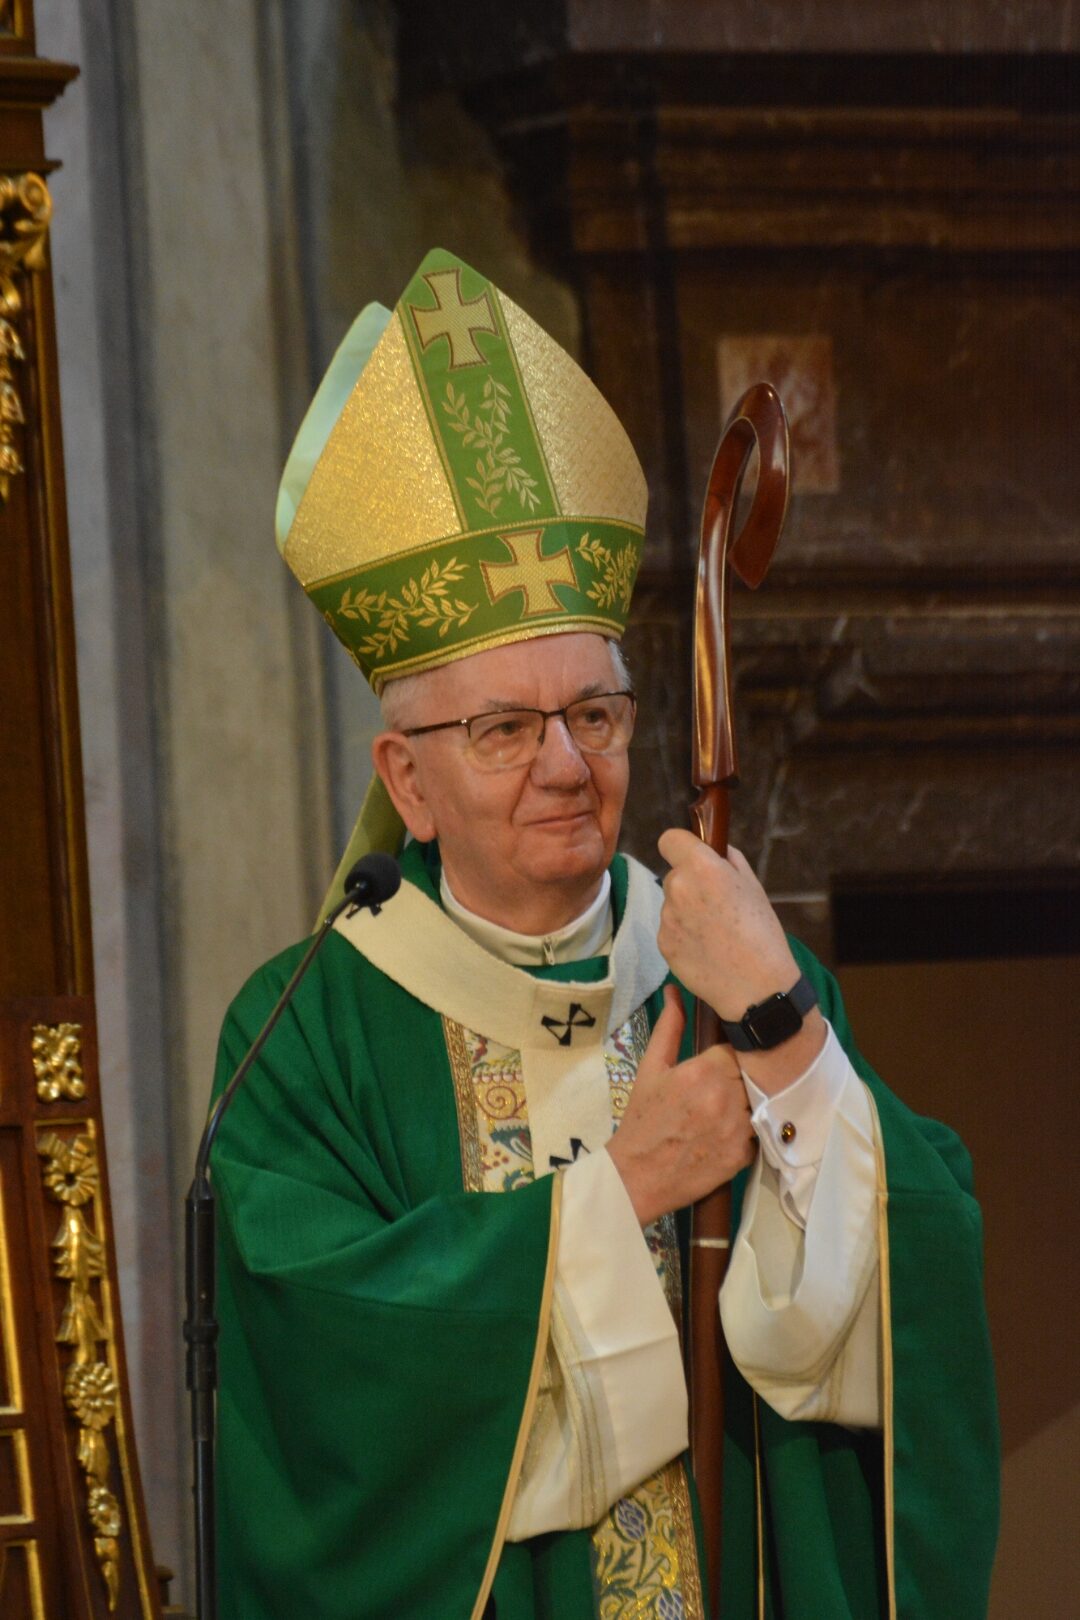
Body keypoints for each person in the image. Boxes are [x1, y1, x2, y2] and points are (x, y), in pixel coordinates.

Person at [210, 249, 998, 1619]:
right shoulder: (306, 1032)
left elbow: (917, 1276)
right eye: (504, 730)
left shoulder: (727, 965)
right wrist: (622, 1188)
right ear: (408, 782)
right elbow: (325, 1382)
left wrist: (789, 1041)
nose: (568, 765)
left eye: (596, 713)